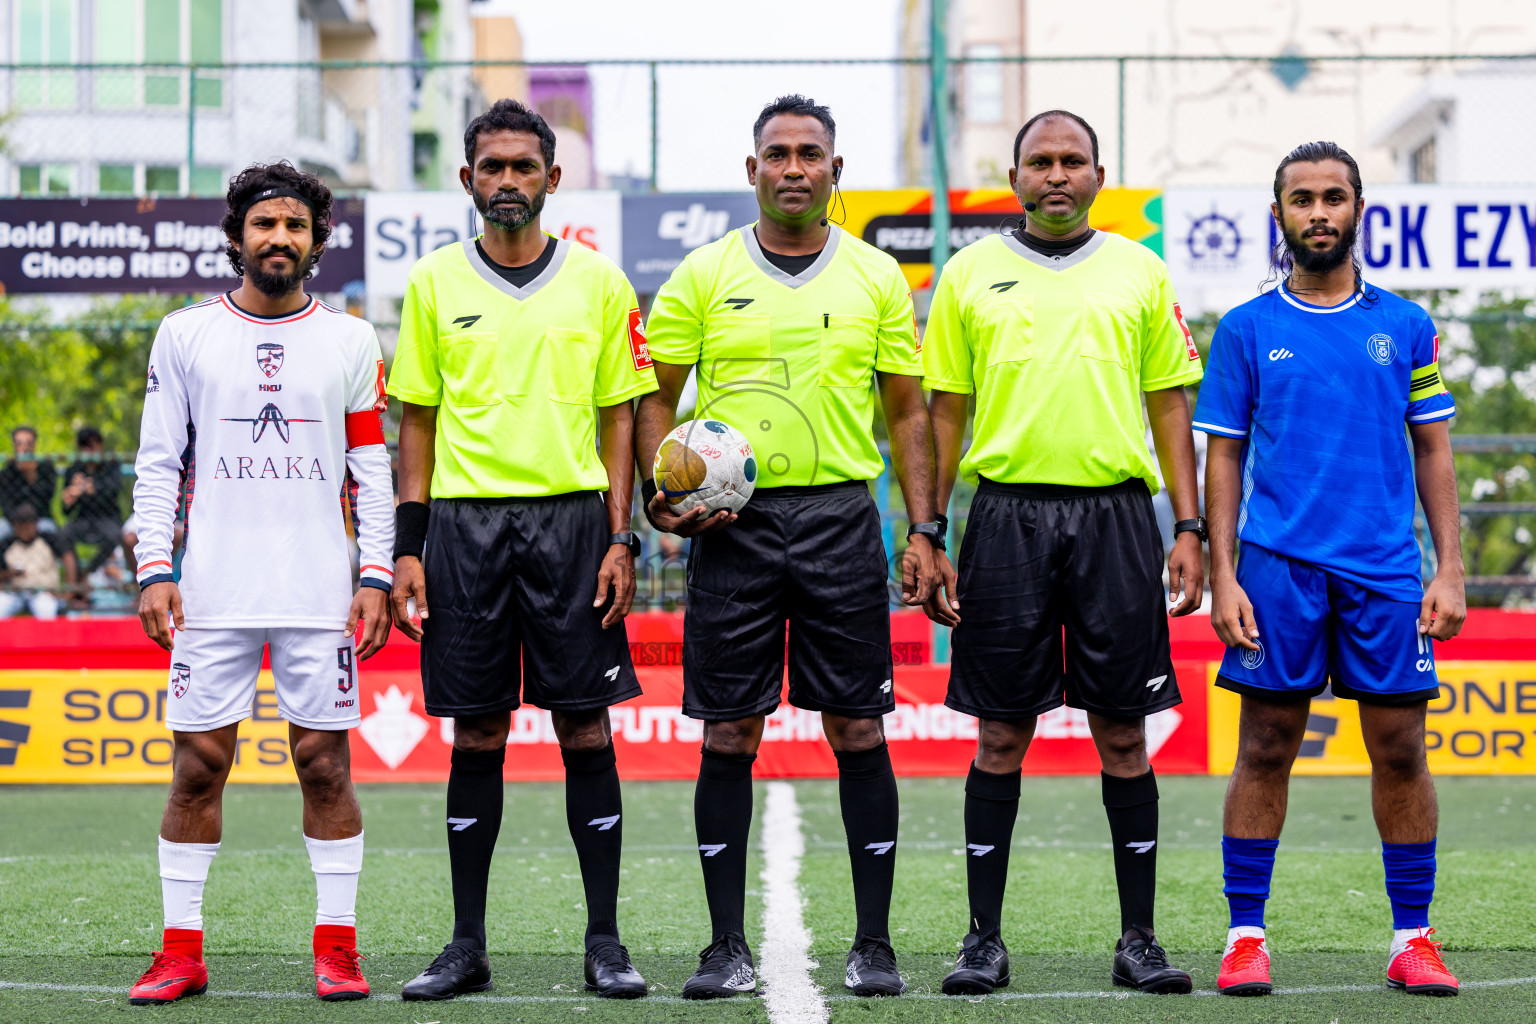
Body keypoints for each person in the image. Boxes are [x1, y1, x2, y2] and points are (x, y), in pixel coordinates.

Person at [638, 94, 943, 1000]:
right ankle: (725, 945)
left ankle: (875, 943)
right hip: (734, 528)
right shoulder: (700, 273)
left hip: (843, 520)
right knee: (730, 728)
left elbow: (907, 412)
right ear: (753, 169)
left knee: (859, 724)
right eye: (779, 153)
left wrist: (923, 527)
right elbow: (657, 397)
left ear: (835, 171)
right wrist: (661, 498)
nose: (795, 167)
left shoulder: (879, 278)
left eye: (812, 153)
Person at [923, 109, 1205, 996]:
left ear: (1098, 173)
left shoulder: (1140, 270)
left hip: (1119, 519)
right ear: (1014, 177)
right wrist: (928, 532)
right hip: (1005, 518)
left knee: (1123, 730)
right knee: (1001, 731)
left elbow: (1170, 404)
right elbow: (941, 413)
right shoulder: (968, 274)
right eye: (1039, 161)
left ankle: (1140, 940)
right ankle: (982, 940)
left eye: (1072, 161)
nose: (1056, 174)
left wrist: (1189, 527)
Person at [387, 99, 657, 1001]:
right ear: (468, 180)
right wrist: (409, 547)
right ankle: (466, 944)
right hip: (464, 530)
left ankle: (606, 942)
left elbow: (620, 418)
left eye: (523, 166)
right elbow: (413, 421)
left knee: (585, 723)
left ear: (552, 177)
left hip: (573, 527)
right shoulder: (431, 284)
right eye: (491, 167)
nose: (508, 180)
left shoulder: (599, 283)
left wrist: (623, 535)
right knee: (478, 728)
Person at [1195, 141, 1464, 998]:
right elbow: (1225, 459)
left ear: (1358, 210)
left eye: (1334, 197)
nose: (1319, 212)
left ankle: (1412, 939)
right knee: (1266, 745)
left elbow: (1434, 450)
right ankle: (1246, 937)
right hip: (1276, 572)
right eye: (1302, 199)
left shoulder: (1408, 325)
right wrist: (1226, 572)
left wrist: (1450, 567)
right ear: (1278, 215)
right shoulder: (1244, 330)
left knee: (1399, 749)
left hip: (1385, 572)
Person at [129, 162, 394, 1005]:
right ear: (237, 235)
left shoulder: (350, 339)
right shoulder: (185, 333)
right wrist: (155, 569)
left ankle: (338, 949)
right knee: (196, 770)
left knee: (324, 767)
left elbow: (371, 469)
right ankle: (180, 952)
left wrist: (377, 574)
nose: (279, 238)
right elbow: (158, 460)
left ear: (317, 241)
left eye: (295, 226)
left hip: (319, 591)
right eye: (263, 224)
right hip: (212, 592)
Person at [61, 426, 123, 574]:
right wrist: (72, 494)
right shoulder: (74, 469)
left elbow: (114, 491)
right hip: (84, 518)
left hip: (107, 517)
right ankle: (75, 576)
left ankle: (88, 572)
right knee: (62, 535)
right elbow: (66, 511)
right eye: (85, 446)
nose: (90, 451)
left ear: (101, 445)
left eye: (93, 445)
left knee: (114, 535)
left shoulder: (112, 465)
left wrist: (93, 488)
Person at [0, 504, 63, 619]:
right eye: (21, 526)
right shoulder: (7, 544)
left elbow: (69, 558)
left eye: (28, 525)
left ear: (36, 524)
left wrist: (68, 593)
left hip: (42, 592)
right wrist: (10, 574)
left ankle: (47, 637)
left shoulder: (48, 540)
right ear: (15, 526)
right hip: (15, 593)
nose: (25, 530)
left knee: (46, 610)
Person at [0, 426, 59, 540]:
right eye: (20, 443)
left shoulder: (46, 469)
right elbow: (6, 506)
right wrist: (19, 523)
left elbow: (47, 500)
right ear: (14, 445)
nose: (25, 449)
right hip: (13, 522)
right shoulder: (6, 473)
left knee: (49, 528)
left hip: (39, 520)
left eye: (29, 444)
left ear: (35, 445)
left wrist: (31, 476)